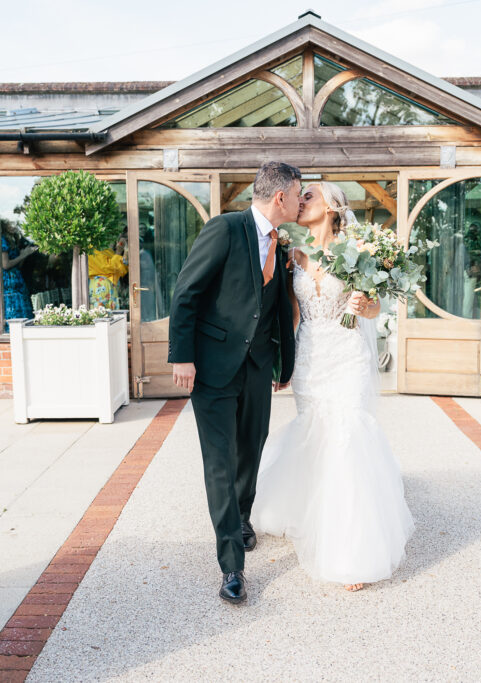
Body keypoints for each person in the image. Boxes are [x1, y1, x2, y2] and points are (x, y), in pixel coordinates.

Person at [251, 181, 415, 593]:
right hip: (310, 357)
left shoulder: (361, 251)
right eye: (300, 196)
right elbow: (292, 316)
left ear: (331, 207)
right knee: (315, 431)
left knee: (346, 436)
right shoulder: (294, 256)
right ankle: (309, 511)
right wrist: (281, 363)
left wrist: (366, 305)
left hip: (347, 356)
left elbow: (376, 304)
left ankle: (351, 549)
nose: (300, 201)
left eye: (309, 196)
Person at [168, 161, 300, 605]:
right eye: (299, 194)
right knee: (221, 462)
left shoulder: (280, 245)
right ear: (280, 197)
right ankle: (231, 567)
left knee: (252, 448)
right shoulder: (225, 229)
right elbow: (186, 291)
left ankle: (241, 517)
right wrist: (182, 356)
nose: (302, 202)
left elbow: (279, 307)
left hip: (259, 367)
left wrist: (284, 362)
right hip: (212, 367)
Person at [0, 222, 37, 325]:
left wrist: (24, 255)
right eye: (10, 223)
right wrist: (23, 255)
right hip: (9, 283)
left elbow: (17, 265)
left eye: (15, 223)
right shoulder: (2, 240)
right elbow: (6, 265)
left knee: (23, 311)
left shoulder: (12, 239)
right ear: (4, 225)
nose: (14, 225)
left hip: (17, 280)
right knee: (14, 311)